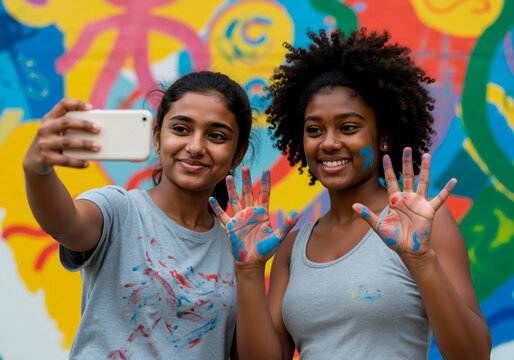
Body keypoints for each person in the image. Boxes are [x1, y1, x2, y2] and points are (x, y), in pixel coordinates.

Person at [208, 29, 491, 359]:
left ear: (382, 136)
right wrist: (249, 272)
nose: (328, 142)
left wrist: (421, 261)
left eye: (348, 127)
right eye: (315, 130)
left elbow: (473, 354)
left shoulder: (424, 227)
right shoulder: (290, 248)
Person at [22, 71, 253, 359]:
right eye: (181, 129)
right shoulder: (119, 210)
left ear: (238, 153)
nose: (195, 147)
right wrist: (37, 172)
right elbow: (66, 225)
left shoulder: (240, 250)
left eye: (216, 136)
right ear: (157, 136)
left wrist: (251, 271)